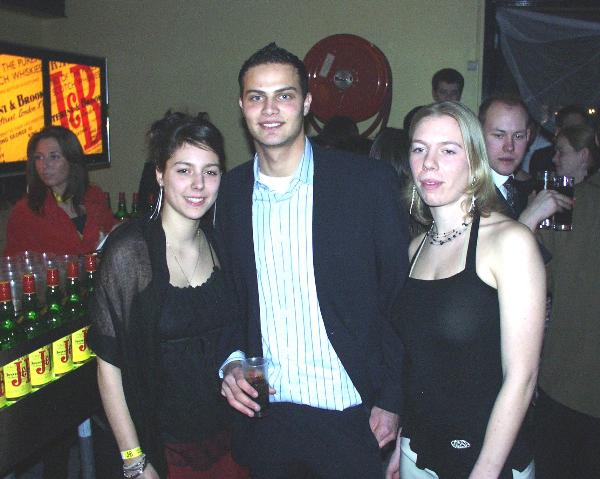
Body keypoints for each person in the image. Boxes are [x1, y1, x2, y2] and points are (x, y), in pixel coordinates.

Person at [217, 42, 409, 478]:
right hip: (268, 419)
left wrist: (393, 399)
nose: (270, 109)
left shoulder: (366, 183)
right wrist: (231, 360)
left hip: (352, 415)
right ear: (242, 107)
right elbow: (229, 295)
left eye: (283, 95)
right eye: (256, 97)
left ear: (306, 103)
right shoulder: (228, 194)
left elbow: (398, 297)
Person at [386, 101, 545, 478]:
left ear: (474, 161)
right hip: (418, 450)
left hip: (488, 459)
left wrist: (485, 472)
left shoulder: (510, 242)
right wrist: (402, 441)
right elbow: (420, 364)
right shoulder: (415, 248)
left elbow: (522, 378)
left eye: (448, 150)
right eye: (420, 149)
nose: (429, 163)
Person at [88, 112, 248, 479]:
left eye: (210, 171)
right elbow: (109, 366)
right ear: (160, 174)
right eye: (184, 170)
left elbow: (227, 337)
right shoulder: (130, 251)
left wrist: (234, 364)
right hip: (165, 447)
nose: (198, 184)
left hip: (230, 441)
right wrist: (134, 461)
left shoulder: (220, 243)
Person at [534, 162, 600, 478]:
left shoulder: (569, 200)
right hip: (569, 386)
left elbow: (538, 279)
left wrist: (529, 222)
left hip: (567, 387)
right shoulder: (568, 199)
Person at [4, 125, 115, 256]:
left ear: (72, 160)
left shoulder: (94, 196)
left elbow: (113, 240)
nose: (45, 165)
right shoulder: (24, 212)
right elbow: (14, 262)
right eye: (39, 157)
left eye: (54, 157)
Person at [479, 95, 572, 232]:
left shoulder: (520, 190)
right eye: (499, 135)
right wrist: (530, 218)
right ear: (478, 134)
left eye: (518, 136)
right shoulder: (465, 193)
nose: (509, 147)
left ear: (528, 136)